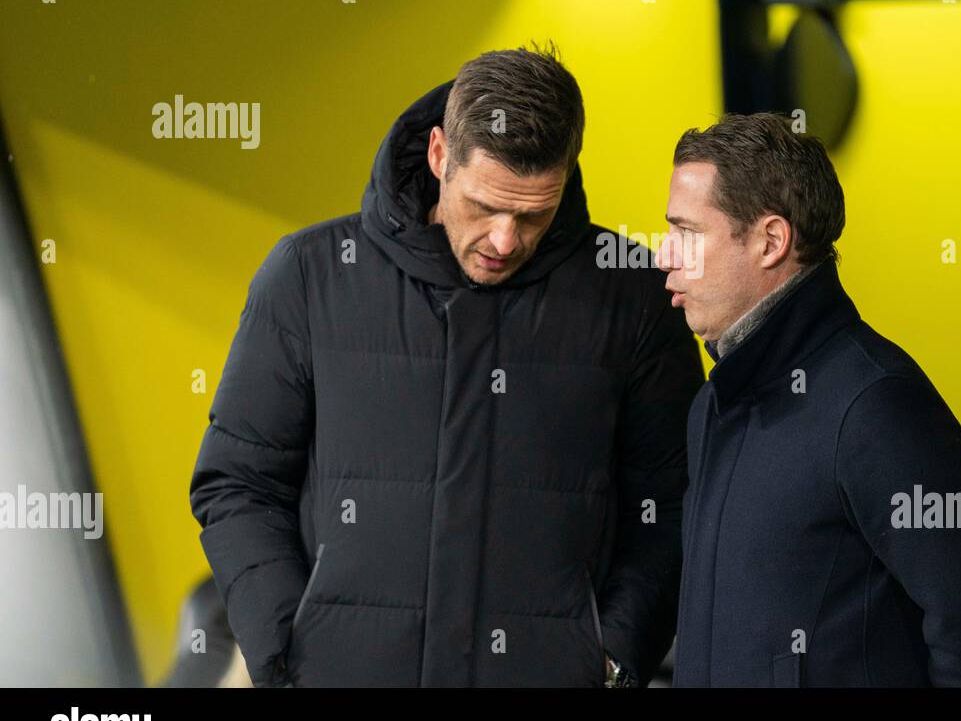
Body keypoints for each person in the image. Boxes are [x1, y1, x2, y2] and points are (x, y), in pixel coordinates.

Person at [190, 42, 703, 687]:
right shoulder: (308, 277)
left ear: (567, 176)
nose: (504, 240)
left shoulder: (630, 296)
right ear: (439, 156)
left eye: (533, 214)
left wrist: (612, 659)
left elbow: (674, 503)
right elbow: (238, 484)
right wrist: (285, 654)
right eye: (483, 207)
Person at [655, 112, 961, 686]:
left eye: (687, 234)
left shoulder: (878, 409)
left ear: (770, 241)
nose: (663, 256)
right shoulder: (711, 405)